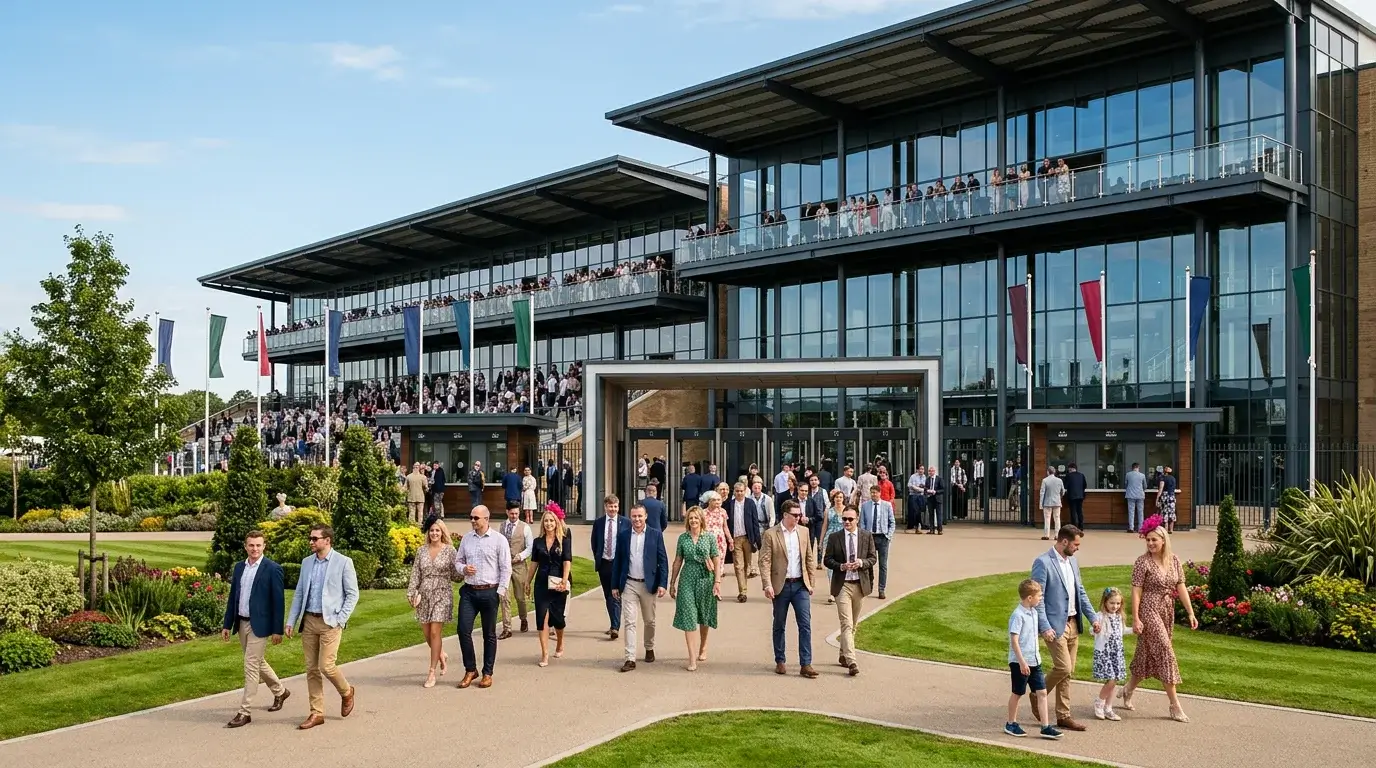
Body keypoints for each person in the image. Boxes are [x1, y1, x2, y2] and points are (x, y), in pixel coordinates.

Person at [1122, 516, 1198, 721]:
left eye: (1154, 540)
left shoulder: (1174, 560)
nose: (1150, 543)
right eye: (1147, 540)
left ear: (1163, 540)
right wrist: (1136, 618)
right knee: (1165, 650)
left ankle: (1128, 689)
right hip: (1149, 609)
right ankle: (1174, 705)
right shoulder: (1142, 562)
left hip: (1167, 610)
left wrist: (1190, 612)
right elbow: (1136, 591)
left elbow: (1180, 586)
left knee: (1146, 654)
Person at [285, 524, 359, 730]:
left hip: (330, 623)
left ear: (327, 540)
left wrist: (340, 619)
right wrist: (291, 620)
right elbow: (299, 593)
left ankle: (346, 692)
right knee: (311, 669)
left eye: (315, 538)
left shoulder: (344, 562)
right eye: (310, 538)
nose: (311, 541)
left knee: (326, 666)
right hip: (309, 621)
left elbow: (353, 594)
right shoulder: (307, 562)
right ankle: (316, 713)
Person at [1031, 525, 1101, 733]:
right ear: (1064, 542)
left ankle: (1063, 716)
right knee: (1064, 667)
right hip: (1055, 625)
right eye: (1076, 544)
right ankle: (1037, 693)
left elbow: (1080, 591)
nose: (1078, 548)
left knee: (1068, 673)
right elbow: (1038, 598)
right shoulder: (1042, 563)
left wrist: (1093, 618)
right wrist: (1044, 626)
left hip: (1073, 623)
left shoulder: (1073, 562)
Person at [222, 530, 289, 728]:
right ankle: (280, 691)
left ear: (264, 546)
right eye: (251, 545)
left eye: (258, 545)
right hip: (241, 622)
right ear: (245, 546)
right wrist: (227, 624)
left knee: (250, 666)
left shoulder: (272, 569)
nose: (255, 549)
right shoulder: (239, 568)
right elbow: (233, 596)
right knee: (257, 662)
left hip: (260, 625)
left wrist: (277, 629)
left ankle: (245, 712)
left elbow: (279, 601)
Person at [451, 504, 510, 689]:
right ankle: (470, 669)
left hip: (489, 591)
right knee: (463, 630)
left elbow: (505, 567)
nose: (472, 521)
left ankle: (487, 672)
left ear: (486, 518)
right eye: (471, 517)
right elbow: (458, 561)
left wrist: (500, 591)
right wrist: (463, 568)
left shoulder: (499, 540)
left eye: (476, 518)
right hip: (469, 591)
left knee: (489, 634)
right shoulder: (467, 539)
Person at [759, 499, 817, 678]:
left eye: (800, 514)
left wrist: (811, 583)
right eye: (795, 515)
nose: (799, 517)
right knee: (779, 624)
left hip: (800, 584)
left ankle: (806, 664)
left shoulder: (804, 532)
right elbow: (764, 560)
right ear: (785, 515)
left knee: (805, 624)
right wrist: (767, 584)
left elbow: (809, 558)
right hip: (780, 585)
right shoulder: (771, 534)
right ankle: (780, 660)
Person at [611, 504, 670, 671]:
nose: (636, 519)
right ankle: (630, 658)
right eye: (634, 516)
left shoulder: (655, 535)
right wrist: (615, 585)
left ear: (645, 517)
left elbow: (663, 560)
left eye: (639, 516)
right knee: (630, 621)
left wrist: (662, 584)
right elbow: (618, 561)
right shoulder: (623, 536)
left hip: (648, 584)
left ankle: (649, 647)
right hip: (629, 583)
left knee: (649, 620)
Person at [1005, 578, 1062, 740]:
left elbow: (1031, 634)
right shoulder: (1018, 615)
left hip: (1035, 661)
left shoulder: (1034, 613)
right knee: (1018, 692)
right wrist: (1022, 662)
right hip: (1020, 662)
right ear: (1029, 598)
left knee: (1042, 692)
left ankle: (1045, 726)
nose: (1041, 598)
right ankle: (1011, 723)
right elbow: (1014, 640)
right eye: (1039, 596)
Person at [823, 505, 875, 676]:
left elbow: (873, 558)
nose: (846, 522)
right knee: (846, 624)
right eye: (844, 519)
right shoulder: (835, 537)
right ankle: (852, 661)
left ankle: (843, 655)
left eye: (850, 519)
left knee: (853, 625)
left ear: (857, 519)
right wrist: (841, 566)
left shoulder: (866, 536)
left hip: (859, 585)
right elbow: (827, 560)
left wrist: (861, 563)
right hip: (842, 585)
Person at [406, 518, 456, 688]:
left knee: (435, 632)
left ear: (443, 532)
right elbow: (415, 574)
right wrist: (411, 593)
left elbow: (456, 575)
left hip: (442, 594)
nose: (434, 533)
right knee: (428, 634)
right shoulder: (421, 551)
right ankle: (441, 653)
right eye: (432, 530)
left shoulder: (450, 551)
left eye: (438, 530)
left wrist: (466, 571)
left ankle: (431, 672)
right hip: (424, 595)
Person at [671, 506, 721, 671]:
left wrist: (717, 581)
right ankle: (692, 658)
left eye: (696, 518)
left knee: (704, 614)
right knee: (689, 616)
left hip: (705, 578)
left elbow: (716, 558)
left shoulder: (709, 537)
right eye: (691, 518)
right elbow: (678, 560)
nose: (693, 521)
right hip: (687, 578)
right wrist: (672, 583)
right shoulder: (683, 538)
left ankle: (703, 645)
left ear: (701, 520)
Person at [530, 509, 572, 667]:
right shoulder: (537, 542)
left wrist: (564, 580)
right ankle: (545, 653)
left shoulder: (564, 540)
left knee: (558, 619)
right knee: (542, 619)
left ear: (556, 523)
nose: (549, 524)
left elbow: (567, 561)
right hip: (541, 584)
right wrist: (528, 581)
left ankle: (560, 642)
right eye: (546, 521)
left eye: (551, 521)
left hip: (557, 583)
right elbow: (534, 562)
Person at [1091, 586, 1133, 721]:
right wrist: (1095, 629)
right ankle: (1099, 701)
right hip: (1105, 652)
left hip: (1117, 652)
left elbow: (1122, 631)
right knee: (1111, 679)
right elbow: (1092, 630)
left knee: (1114, 681)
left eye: (1118, 603)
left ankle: (1108, 708)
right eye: (1112, 603)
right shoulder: (1100, 616)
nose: (1115, 606)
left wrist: (1134, 630)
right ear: (1105, 602)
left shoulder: (1119, 617)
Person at [591, 494, 628, 639]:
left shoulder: (625, 522)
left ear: (618, 507)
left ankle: (615, 627)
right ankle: (614, 622)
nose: (613, 509)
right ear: (605, 507)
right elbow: (594, 542)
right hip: (604, 563)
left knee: (616, 594)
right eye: (610, 506)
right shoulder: (599, 523)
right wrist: (598, 558)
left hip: (618, 564)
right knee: (608, 595)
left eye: (615, 507)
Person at [497, 501, 533, 640]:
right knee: (504, 597)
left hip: (519, 566)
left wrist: (521, 556)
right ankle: (507, 628)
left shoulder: (525, 527)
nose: (514, 516)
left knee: (520, 596)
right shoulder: (502, 526)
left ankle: (523, 618)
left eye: (516, 513)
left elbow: (530, 547)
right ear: (507, 512)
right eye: (512, 513)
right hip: (505, 566)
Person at [726, 482, 763, 603]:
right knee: (738, 565)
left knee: (747, 565)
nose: (739, 493)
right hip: (735, 539)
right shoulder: (730, 505)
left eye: (741, 491)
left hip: (748, 538)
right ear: (734, 492)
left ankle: (744, 587)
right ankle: (742, 592)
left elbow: (755, 522)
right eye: (737, 491)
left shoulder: (750, 503)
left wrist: (758, 541)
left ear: (745, 491)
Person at [859, 484, 896, 599]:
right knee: (868, 563)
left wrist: (888, 536)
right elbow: (862, 522)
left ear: (880, 493)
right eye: (872, 493)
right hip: (870, 537)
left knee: (883, 565)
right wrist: (865, 536)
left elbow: (892, 522)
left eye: (875, 492)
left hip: (883, 537)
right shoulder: (865, 506)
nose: (874, 495)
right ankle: (868, 586)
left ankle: (881, 589)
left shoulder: (887, 505)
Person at [700, 490, 733, 583]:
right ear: (709, 501)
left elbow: (725, 527)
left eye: (719, 500)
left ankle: (716, 587)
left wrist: (730, 540)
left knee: (719, 565)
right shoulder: (703, 513)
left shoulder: (723, 512)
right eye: (715, 500)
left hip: (720, 542)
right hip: (706, 541)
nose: (718, 502)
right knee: (707, 565)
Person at [821, 489, 845, 604]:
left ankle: (841, 589)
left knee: (841, 564)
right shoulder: (828, 511)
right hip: (830, 538)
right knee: (830, 566)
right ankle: (832, 592)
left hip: (842, 538)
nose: (838, 499)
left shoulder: (847, 510)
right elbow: (825, 526)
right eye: (836, 497)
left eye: (840, 497)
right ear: (833, 499)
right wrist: (821, 542)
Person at [801, 474, 828, 569]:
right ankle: (809, 561)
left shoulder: (822, 491)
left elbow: (827, 505)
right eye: (811, 480)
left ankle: (819, 562)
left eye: (815, 480)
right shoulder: (806, 491)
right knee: (810, 541)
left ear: (819, 481)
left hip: (820, 520)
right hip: (809, 520)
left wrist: (825, 517)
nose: (813, 482)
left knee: (820, 541)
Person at [1039, 467, 1065, 541]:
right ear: (1054, 472)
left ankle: (1046, 535)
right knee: (1057, 518)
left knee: (1047, 518)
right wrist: (1059, 496)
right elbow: (1063, 491)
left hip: (1047, 502)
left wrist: (1041, 504)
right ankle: (1057, 535)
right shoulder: (1059, 480)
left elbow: (1042, 492)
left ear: (1048, 472)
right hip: (1057, 502)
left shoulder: (1045, 480)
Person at [1123, 463, 1147, 533]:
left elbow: (1126, 484)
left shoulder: (1128, 474)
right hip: (1140, 495)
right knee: (1140, 512)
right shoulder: (1142, 475)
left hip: (1130, 495)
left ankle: (1131, 528)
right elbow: (1145, 486)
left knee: (1131, 511)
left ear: (1132, 467)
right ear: (1138, 467)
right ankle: (1140, 528)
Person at [1063, 463, 1087, 530]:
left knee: (1073, 511)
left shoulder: (1068, 476)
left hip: (1071, 496)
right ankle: (1081, 526)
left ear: (1070, 468)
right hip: (1080, 496)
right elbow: (1085, 485)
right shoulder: (1081, 475)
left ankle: (1074, 527)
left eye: (1069, 469)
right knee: (1079, 511)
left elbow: (1065, 486)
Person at [1157, 466, 1179, 533]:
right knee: (1172, 512)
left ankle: (1166, 529)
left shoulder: (1163, 478)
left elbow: (1161, 489)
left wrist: (1157, 498)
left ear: (1165, 472)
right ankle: (1171, 529)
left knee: (1165, 512)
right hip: (1172, 496)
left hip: (1165, 496)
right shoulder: (1173, 479)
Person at [924, 465, 945, 534]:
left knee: (939, 514)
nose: (931, 472)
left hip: (937, 498)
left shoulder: (939, 479)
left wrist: (936, 492)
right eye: (929, 471)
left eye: (932, 471)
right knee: (931, 514)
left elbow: (942, 489)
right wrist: (927, 491)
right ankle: (931, 529)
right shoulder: (927, 479)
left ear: (934, 471)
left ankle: (940, 530)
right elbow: (925, 489)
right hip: (930, 499)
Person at [905, 465, 926, 533]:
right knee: (914, 511)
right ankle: (913, 526)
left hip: (921, 496)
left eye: (922, 469)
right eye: (920, 469)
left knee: (920, 511)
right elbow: (909, 485)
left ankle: (919, 525)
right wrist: (919, 488)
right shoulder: (913, 476)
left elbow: (924, 487)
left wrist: (918, 488)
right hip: (913, 495)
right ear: (917, 470)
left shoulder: (924, 477)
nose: (921, 470)